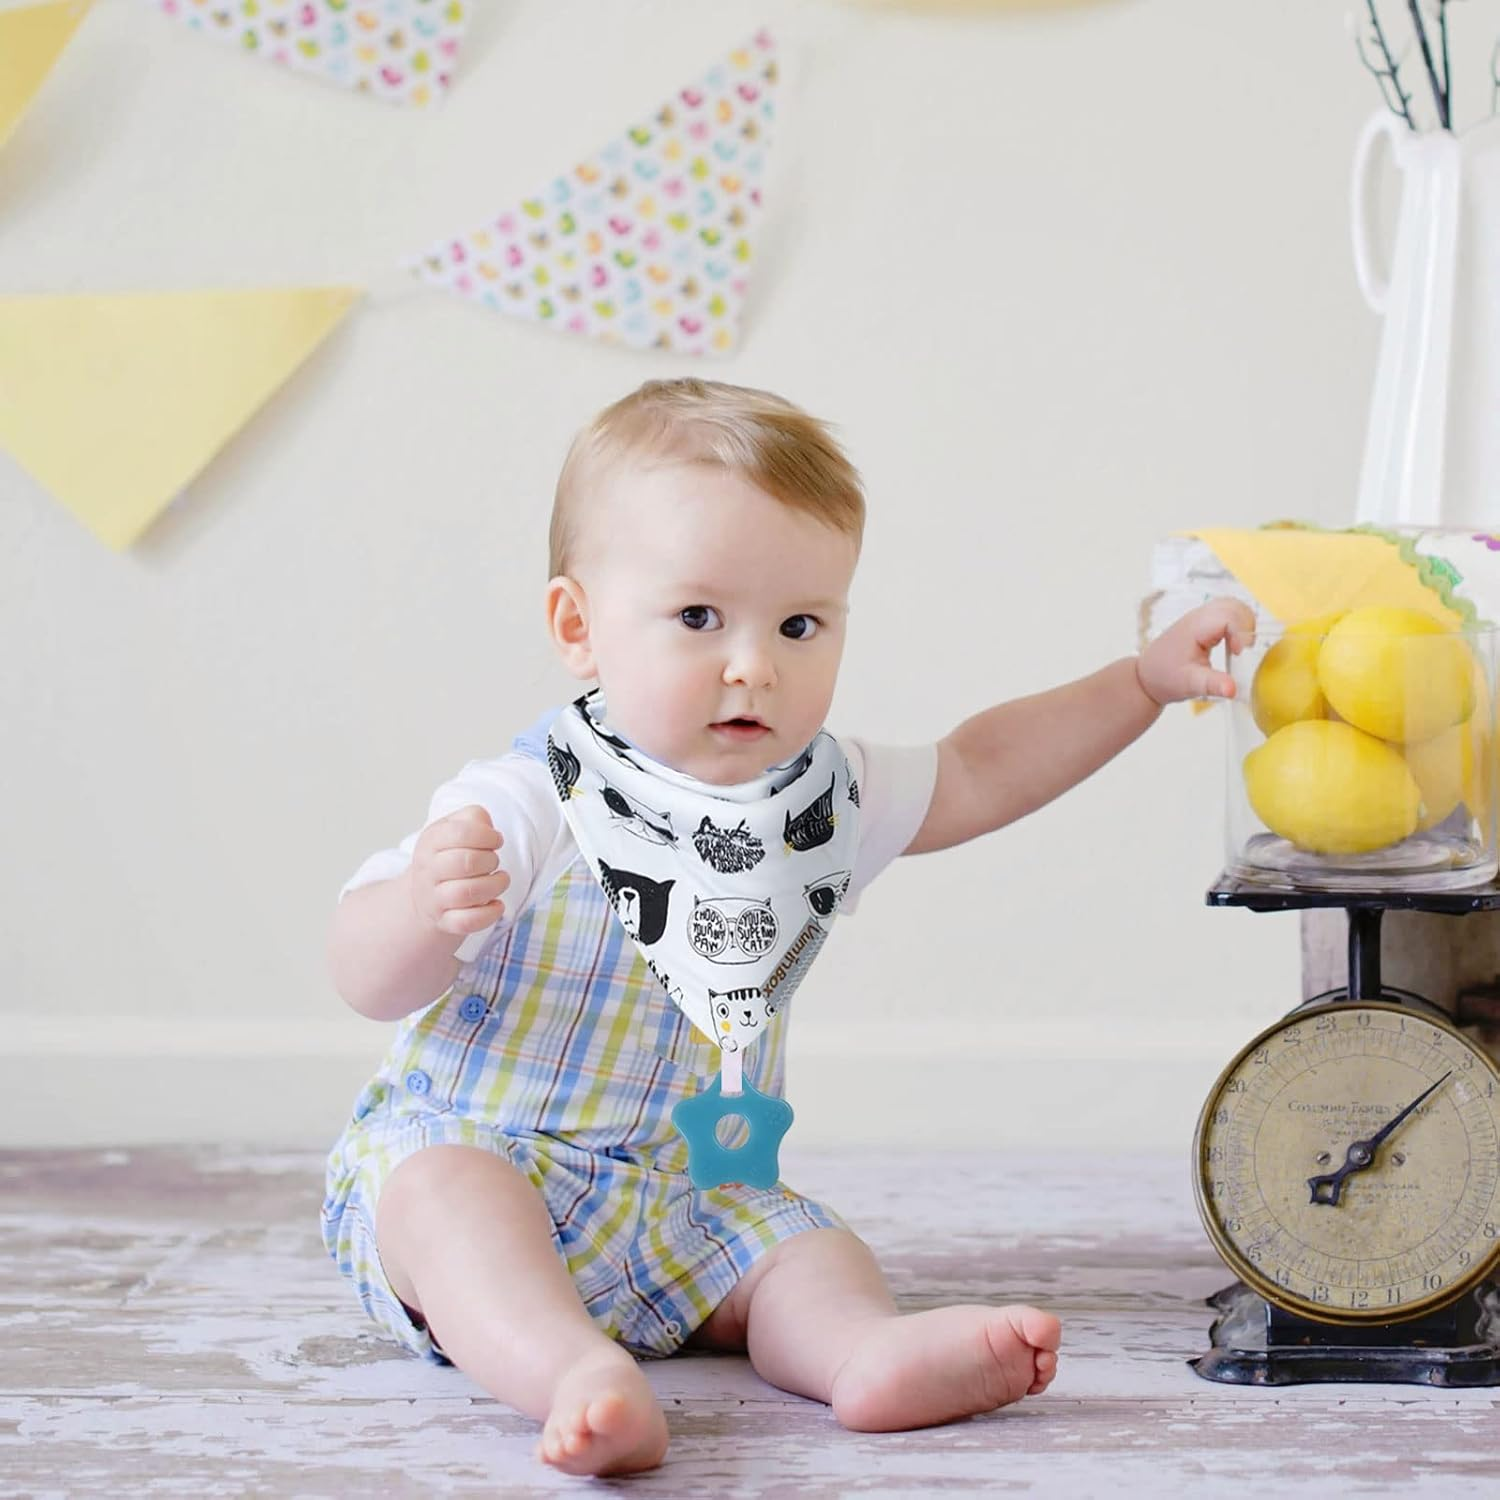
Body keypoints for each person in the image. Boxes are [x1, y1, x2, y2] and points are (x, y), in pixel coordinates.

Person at [323, 377, 1252, 1476]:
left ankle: (863, 1354)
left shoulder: (817, 798)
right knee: (446, 1201)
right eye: (699, 618)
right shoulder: (533, 797)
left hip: (687, 1201)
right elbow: (362, 974)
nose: (754, 662)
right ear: (579, 627)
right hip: (492, 1156)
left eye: (799, 624)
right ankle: (570, 1370)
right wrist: (425, 916)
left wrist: (1141, 683)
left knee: (800, 1249)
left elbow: (981, 766)